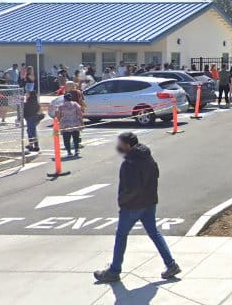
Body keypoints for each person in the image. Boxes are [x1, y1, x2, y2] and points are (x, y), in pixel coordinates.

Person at [93, 132, 180, 283]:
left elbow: (130, 188)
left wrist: (123, 202)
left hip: (132, 206)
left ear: (128, 145)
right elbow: (155, 175)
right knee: (154, 232)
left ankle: (114, 271)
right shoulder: (147, 157)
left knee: (121, 235)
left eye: (120, 144)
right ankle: (171, 264)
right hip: (149, 202)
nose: (118, 147)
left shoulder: (130, 163)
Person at [54, 92, 84, 158]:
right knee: (76, 138)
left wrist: (58, 121)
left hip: (65, 124)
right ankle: (76, 150)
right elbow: (80, 114)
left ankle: (69, 152)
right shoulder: (75, 104)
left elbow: (57, 115)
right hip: (75, 123)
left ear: (64, 98)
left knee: (66, 139)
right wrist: (82, 123)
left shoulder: (61, 106)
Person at [23, 67, 42, 153]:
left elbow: (28, 93)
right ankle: (31, 144)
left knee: (31, 129)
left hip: (31, 113)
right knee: (30, 129)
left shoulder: (31, 97)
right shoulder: (32, 96)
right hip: (30, 113)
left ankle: (35, 145)